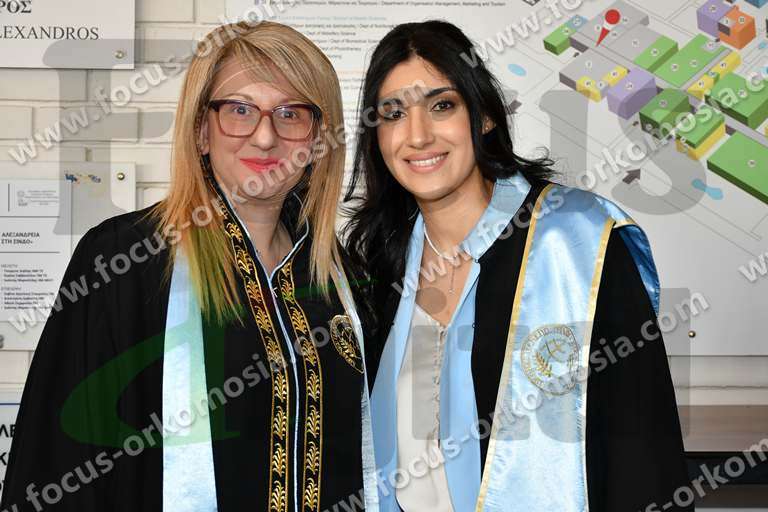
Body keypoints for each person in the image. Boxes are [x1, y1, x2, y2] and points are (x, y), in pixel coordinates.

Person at [1, 21, 377, 512]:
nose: (265, 136)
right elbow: (58, 466)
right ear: (201, 130)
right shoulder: (125, 261)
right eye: (239, 110)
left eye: (291, 113)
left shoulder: (339, 279)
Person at [343, 20, 692, 512]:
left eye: (442, 106)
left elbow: (640, 446)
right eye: (393, 113)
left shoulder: (576, 241)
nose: (417, 136)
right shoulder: (379, 268)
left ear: (485, 115)